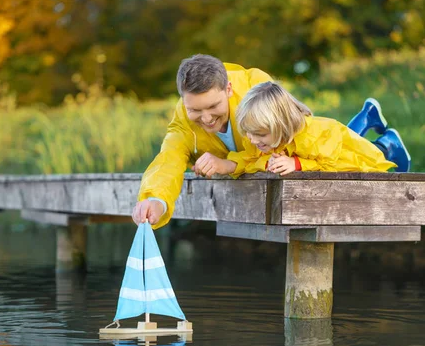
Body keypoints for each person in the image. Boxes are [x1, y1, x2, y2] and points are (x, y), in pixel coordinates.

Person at [132, 54, 410, 228]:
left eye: (213, 106)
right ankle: (369, 118)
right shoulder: (183, 121)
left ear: (228, 89)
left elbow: (302, 141)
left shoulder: (256, 91)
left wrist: (230, 164)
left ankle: (385, 144)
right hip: (276, 158)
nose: (205, 118)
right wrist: (156, 199)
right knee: (337, 145)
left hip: (304, 146)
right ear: (183, 100)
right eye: (195, 109)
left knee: (345, 153)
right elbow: (167, 161)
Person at [223, 81, 396, 176]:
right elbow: (249, 159)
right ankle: (368, 114)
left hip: (344, 155)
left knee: (366, 155)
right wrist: (266, 162)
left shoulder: (311, 139)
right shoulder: (261, 138)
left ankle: (389, 144)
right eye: (248, 133)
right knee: (351, 136)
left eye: (259, 134)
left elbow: (336, 165)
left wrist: (297, 163)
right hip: (332, 144)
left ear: (282, 127)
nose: (251, 140)